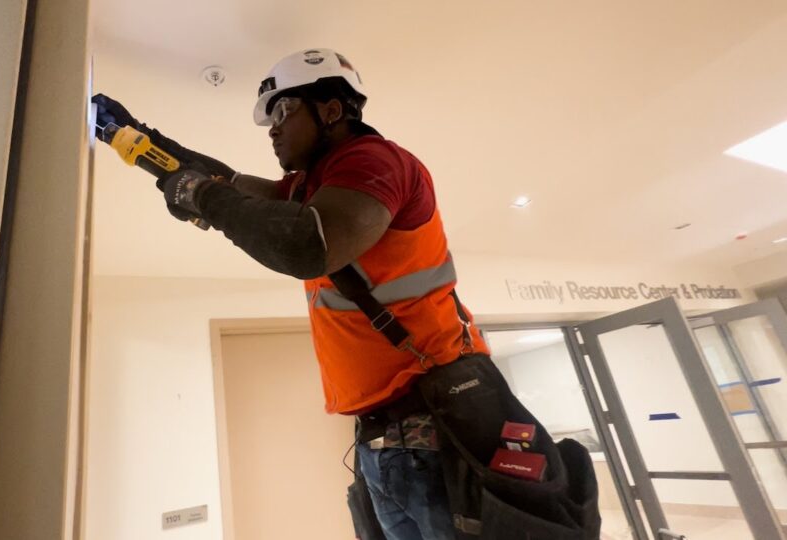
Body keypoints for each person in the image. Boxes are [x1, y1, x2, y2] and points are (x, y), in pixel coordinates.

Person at [93, 48, 597, 540]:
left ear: (331, 110)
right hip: (387, 442)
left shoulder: (374, 161)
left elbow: (305, 244)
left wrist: (200, 196)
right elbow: (225, 183)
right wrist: (136, 138)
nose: (272, 128)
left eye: (283, 110)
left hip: (437, 430)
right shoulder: (311, 189)